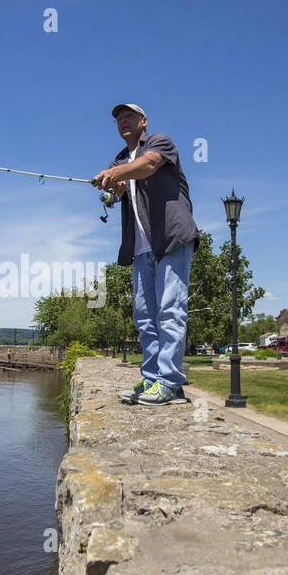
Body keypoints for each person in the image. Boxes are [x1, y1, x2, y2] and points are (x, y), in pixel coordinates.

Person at [92, 103, 199, 405]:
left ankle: (170, 383)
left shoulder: (160, 142)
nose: (122, 121)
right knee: (144, 318)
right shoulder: (120, 159)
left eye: (128, 117)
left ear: (143, 121)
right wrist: (116, 186)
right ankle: (152, 380)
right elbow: (125, 190)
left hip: (171, 238)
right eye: (118, 119)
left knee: (170, 310)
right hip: (141, 248)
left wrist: (114, 173)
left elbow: (150, 165)